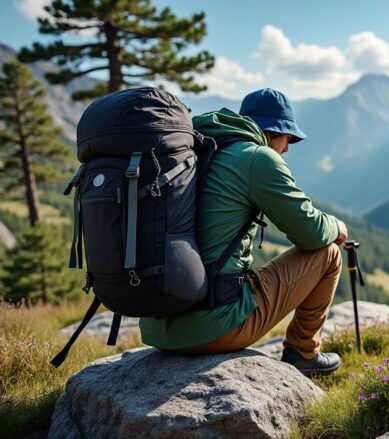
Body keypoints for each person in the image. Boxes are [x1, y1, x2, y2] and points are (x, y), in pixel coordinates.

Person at [139, 88, 348, 376]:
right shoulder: (257, 158)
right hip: (215, 328)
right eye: (289, 138)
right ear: (273, 133)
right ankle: (303, 351)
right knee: (329, 253)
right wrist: (337, 226)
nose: (287, 148)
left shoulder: (196, 150)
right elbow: (310, 233)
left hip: (158, 325)